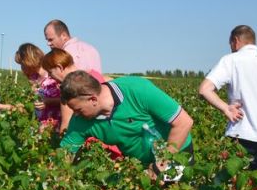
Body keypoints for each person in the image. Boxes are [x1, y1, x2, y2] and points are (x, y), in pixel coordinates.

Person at [60, 71, 193, 179]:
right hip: (140, 165)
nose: (75, 115)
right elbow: (65, 154)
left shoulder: (137, 90)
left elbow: (184, 122)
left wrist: (162, 163)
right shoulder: (80, 120)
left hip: (176, 153)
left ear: (93, 99)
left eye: (78, 109)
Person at [198, 25, 257, 181]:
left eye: (231, 45)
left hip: (240, 136)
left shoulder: (231, 60)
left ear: (235, 41)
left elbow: (204, 89)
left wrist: (226, 108)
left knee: (233, 189)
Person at [42, 48, 109, 133]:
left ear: (60, 67)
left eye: (50, 72)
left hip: (88, 138)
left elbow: (66, 126)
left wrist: (60, 142)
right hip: (108, 133)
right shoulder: (94, 74)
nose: (50, 77)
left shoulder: (69, 89)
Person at [14, 43, 61, 127]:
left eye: (22, 64)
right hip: (40, 124)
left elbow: (67, 99)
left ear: (28, 61)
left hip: (56, 123)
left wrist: (48, 101)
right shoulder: (33, 78)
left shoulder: (53, 74)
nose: (21, 68)